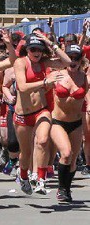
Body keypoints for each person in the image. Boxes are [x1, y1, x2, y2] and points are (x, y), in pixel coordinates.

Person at [14, 33, 71, 195]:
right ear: (27, 50)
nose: (36, 53)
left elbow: (67, 61)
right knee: (25, 153)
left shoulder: (45, 62)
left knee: (43, 140)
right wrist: (45, 82)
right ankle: (23, 174)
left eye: (39, 49)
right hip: (23, 115)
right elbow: (22, 87)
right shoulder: (20, 62)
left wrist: (49, 42)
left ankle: (41, 179)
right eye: (32, 49)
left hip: (41, 110)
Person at [50, 45, 89, 202]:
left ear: (81, 60)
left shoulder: (85, 78)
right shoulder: (57, 75)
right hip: (57, 121)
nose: (73, 61)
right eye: (70, 58)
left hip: (76, 123)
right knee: (66, 153)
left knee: (72, 160)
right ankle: (61, 188)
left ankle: (67, 188)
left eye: (76, 58)